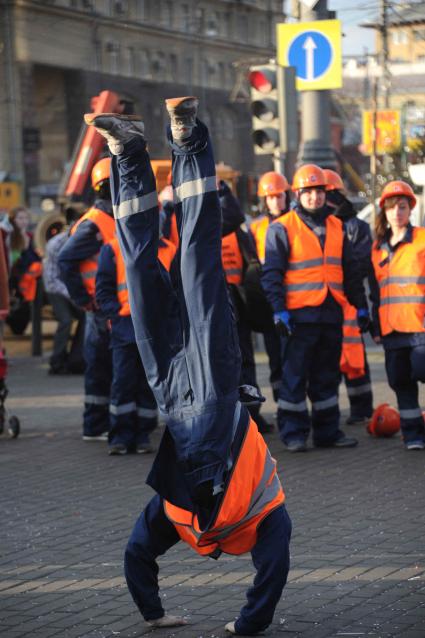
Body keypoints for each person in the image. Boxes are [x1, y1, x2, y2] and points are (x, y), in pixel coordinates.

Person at [85, 96, 291, 635]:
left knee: (138, 270)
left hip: (173, 397)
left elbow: (137, 555)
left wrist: (155, 615)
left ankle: (128, 152)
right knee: (199, 261)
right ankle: (187, 138)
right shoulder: (261, 511)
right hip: (219, 384)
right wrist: (247, 625)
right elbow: (275, 563)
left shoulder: (176, 515)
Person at [262, 164, 370, 452]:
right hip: (298, 316)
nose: (314, 198)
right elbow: (272, 274)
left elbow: (351, 272)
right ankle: (294, 433)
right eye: (308, 192)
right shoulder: (281, 228)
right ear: (298, 194)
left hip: (330, 313)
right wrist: (278, 310)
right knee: (295, 376)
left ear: (325, 194)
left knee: (327, 377)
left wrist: (361, 307)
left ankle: (327, 432)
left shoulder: (338, 227)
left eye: (319, 192)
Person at [95, 233, 176, 455]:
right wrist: (117, 314)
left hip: (154, 329)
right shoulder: (112, 249)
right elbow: (103, 289)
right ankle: (121, 436)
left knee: (149, 385)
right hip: (126, 328)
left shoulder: (169, 249)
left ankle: (142, 435)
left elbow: (176, 291)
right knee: (123, 382)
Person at [59, 158, 115, 441]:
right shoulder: (93, 225)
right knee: (100, 365)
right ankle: (95, 425)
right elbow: (65, 259)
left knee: (108, 364)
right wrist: (83, 299)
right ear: (108, 186)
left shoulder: (107, 219)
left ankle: (104, 422)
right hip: (99, 306)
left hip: (109, 305)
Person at [370, 180, 425, 450]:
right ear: (385, 212)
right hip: (391, 329)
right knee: (400, 381)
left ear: (410, 210)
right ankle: (413, 434)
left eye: (402, 207)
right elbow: (377, 292)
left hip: (419, 327)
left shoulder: (422, 240)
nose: (397, 213)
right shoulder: (378, 248)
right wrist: (374, 325)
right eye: (392, 208)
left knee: (421, 370)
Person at [220, 182, 274, 434]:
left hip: (237, 305)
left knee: (245, 362)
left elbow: (250, 265)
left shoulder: (236, 231)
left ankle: (252, 415)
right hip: (213, 307)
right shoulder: (192, 228)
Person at [324, 169, 374, 425]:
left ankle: (362, 409)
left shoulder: (356, 227)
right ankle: (335, 413)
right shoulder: (319, 226)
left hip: (348, 302)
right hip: (327, 302)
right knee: (331, 358)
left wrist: (360, 306)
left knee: (355, 358)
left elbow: (360, 266)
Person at [249, 172, 290, 403]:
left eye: (279, 196)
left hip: (291, 294)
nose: (275, 201)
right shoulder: (256, 228)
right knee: (274, 352)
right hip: (267, 297)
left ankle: (292, 400)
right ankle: (280, 399)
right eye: (271, 197)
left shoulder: (295, 223)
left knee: (290, 353)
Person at [43, 214, 85, 375]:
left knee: (85, 317)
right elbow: (52, 279)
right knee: (65, 320)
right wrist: (73, 295)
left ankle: (76, 358)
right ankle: (57, 361)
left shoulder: (82, 241)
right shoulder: (55, 245)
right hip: (55, 289)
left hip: (69, 288)